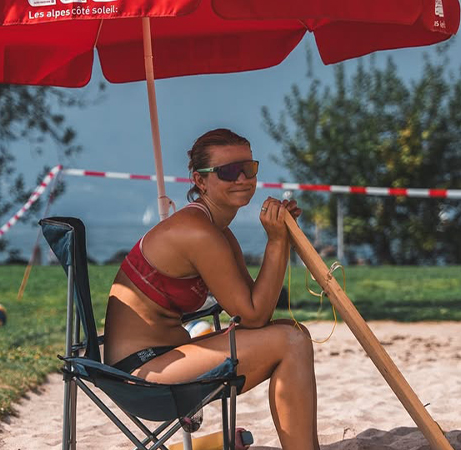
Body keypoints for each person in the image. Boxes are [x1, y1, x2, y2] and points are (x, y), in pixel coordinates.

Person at [103, 128, 321, 449]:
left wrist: (280, 240)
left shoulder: (218, 231)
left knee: (291, 334)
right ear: (199, 180)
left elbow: (255, 308)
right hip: (141, 377)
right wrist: (276, 241)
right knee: (291, 340)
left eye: (250, 168)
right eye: (228, 171)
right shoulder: (200, 233)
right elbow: (255, 318)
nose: (243, 178)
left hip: (162, 361)